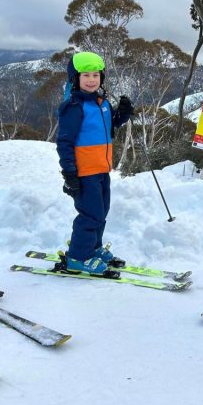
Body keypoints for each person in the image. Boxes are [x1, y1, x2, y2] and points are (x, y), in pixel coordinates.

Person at [56, 51, 134, 275]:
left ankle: (94, 247)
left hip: (101, 169)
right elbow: (64, 141)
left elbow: (108, 129)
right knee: (90, 214)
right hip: (84, 172)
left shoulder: (102, 103)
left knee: (102, 211)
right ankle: (78, 257)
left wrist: (122, 115)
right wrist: (69, 173)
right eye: (86, 75)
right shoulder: (74, 106)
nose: (92, 80)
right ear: (75, 79)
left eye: (96, 75)